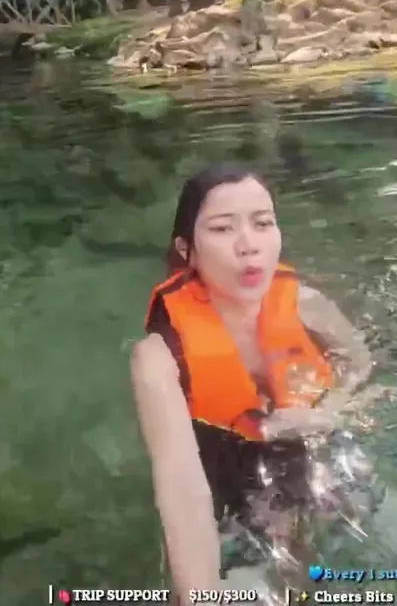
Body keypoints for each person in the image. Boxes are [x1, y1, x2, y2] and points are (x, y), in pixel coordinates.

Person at [129, 164, 381, 598]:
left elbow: (359, 364)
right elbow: (184, 496)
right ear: (187, 250)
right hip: (224, 463)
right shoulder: (157, 359)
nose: (249, 245)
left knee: (327, 556)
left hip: (309, 442)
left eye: (263, 223)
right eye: (222, 228)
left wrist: (328, 411)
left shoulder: (306, 305)